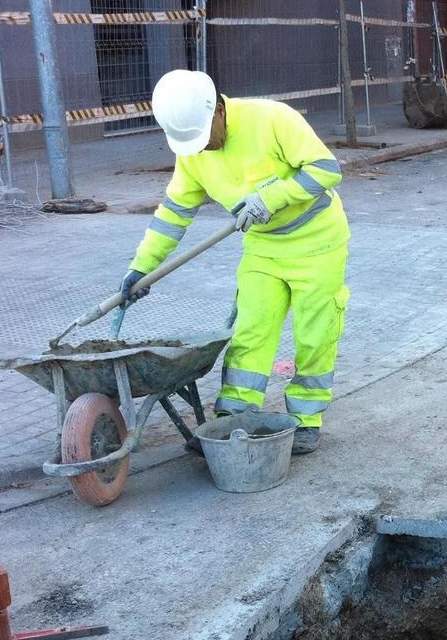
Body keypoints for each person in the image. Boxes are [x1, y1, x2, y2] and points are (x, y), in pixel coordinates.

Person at [120, 69, 351, 455]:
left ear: (218, 111)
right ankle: (234, 415)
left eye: (204, 135)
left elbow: (327, 171)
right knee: (250, 331)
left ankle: (306, 419)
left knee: (315, 335)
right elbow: (174, 213)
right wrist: (142, 268)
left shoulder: (273, 119)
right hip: (263, 248)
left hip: (317, 243)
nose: (203, 147)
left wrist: (272, 197)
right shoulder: (193, 153)